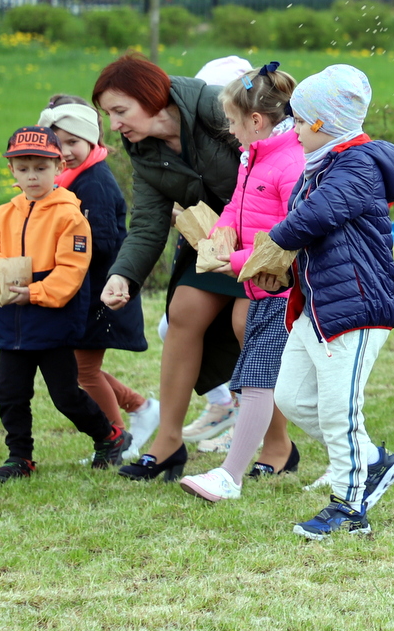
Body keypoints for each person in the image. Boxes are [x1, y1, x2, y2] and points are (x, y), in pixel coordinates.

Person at [269, 65, 394, 540]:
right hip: (319, 304)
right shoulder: (323, 163)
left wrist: (271, 244)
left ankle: (350, 508)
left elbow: (318, 215)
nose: (290, 130)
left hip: (355, 305)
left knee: (339, 411)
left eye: (296, 119)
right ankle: (373, 460)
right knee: (290, 395)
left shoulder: (357, 165)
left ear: (320, 125)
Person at [93, 54, 245, 482]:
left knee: (246, 324)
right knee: (182, 312)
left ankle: (278, 447)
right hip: (212, 242)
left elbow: (275, 159)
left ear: (150, 97)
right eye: (109, 114)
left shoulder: (217, 106)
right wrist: (122, 276)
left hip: (266, 236)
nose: (115, 124)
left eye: (120, 111)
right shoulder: (142, 147)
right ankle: (169, 443)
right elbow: (147, 222)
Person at [0, 127, 129, 482]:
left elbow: (72, 272)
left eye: (41, 168)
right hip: (12, 319)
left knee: (65, 397)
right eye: (23, 167)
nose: (32, 175)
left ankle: (109, 437)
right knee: (10, 394)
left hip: (54, 322)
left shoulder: (70, 216)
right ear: (12, 170)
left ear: (58, 167)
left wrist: (35, 293)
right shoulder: (4, 214)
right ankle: (20, 457)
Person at [179, 63, 303, 503]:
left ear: (256, 120)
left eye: (232, 121)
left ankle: (230, 476)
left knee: (257, 380)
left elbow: (292, 236)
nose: (229, 131)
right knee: (281, 383)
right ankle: (361, 458)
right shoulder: (255, 154)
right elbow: (236, 204)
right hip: (259, 285)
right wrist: (217, 236)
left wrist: (230, 261)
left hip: (281, 290)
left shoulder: (290, 163)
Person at [37, 96, 158, 460]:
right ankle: (140, 407)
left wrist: (63, 254)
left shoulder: (93, 183)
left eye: (74, 142)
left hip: (100, 292)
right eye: (60, 144)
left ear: (93, 141)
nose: (68, 151)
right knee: (79, 369)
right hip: (80, 293)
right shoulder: (69, 180)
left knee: (83, 371)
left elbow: (103, 243)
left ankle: (115, 439)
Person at [179, 56, 253, 450]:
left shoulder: (254, 149)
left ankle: (248, 426)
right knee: (172, 326)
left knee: (248, 335)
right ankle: (224, 405)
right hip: (223, 255)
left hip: (249, 264)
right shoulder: (212, 145)